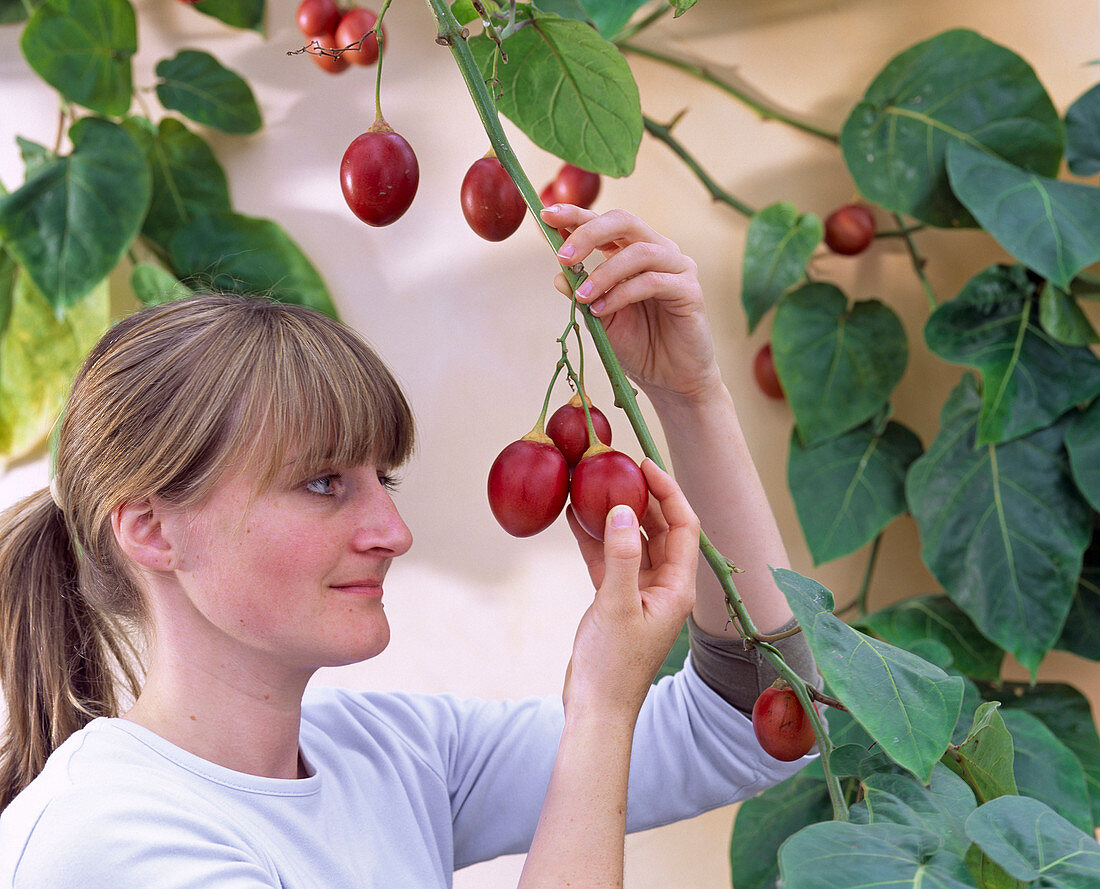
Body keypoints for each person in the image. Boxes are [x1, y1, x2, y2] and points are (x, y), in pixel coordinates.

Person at [0, 206, 820, 888]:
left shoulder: (393, 755)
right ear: (150, 528)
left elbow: (751, 716)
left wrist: (688, 393)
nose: (392, 533)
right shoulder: (110, 843)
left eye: (380, 481)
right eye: (322, 482)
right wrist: (601, 708)